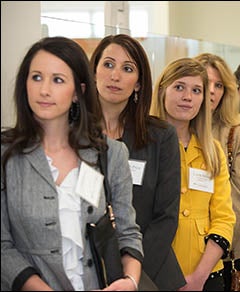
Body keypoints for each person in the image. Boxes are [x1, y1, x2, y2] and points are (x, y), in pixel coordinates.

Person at [1, 36, 143, 291]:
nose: (44, 90)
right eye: (36, 77)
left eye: (57, 80)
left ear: (79, 92)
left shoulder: (110, 153)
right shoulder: (6, 155)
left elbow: (127, 230)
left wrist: (130, 281)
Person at [89, 34, 185, 291]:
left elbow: (166, 217)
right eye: (108, 65)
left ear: (139, 84)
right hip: (86, 269)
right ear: (94, 71)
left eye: (127, 68)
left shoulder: (160, 137)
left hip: (149, 273)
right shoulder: (71, 135)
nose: (115, 75)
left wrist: (130, 273)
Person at [150, 57, 236, 291]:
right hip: (154, 272)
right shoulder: (143, 146)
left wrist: (199, 277)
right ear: (162, 90)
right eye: (179, 87)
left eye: (196, 90)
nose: (188, 97)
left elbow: (224, 219)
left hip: (207, 275)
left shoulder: (213, 150)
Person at [194, 53, 240, 291]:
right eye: (206, 83)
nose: (212, 91)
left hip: (226, 252)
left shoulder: (236, 135)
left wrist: (211, 249)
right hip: (177, 252)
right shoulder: (171, 132)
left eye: (219, 85)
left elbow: (239, 202)